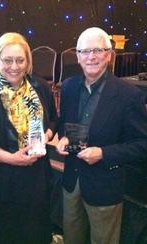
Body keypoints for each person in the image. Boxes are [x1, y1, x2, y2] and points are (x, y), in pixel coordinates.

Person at [56, 26, 147, 244]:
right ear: (77, 57)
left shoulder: (129, 95)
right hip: (72, 181)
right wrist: (64, 138)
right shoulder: (67, 88)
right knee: (72, 237)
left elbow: (143, 144)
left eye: (98, 50)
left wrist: (103, 153)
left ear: (109, 54)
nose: (91, 57)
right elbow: (63, 126)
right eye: (85, 52)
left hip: (105, 184)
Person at [0, 32, 58, 244]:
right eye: (7, 60)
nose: (14, 66)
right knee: (10, 234)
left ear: (28, 61)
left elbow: (54, 121)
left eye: (20, 60)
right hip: (4, 179)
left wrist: (46, 135)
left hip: (37, 176)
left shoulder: (40, 87)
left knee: (38, 231)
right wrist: (12, 158)